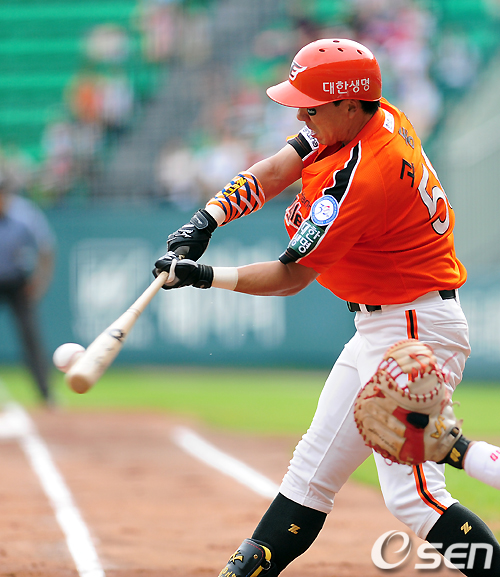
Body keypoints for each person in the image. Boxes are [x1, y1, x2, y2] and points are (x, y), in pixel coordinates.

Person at [153, 39, 500, 575]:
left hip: (411, 327)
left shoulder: (362, 177)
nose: (301, 116)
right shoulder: (369, 115)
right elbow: (278, 168)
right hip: (387, 322)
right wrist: (207, 219)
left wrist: (204, 276)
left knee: (414, 497)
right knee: (310, 474)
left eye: (311, 107)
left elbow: (291, 277)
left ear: (349, 104)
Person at [0, 169, 56, 406]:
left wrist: (39, 280)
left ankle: (46, 395)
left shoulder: (24, 213)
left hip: (17, 282)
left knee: (30, 338)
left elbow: (46, 247)